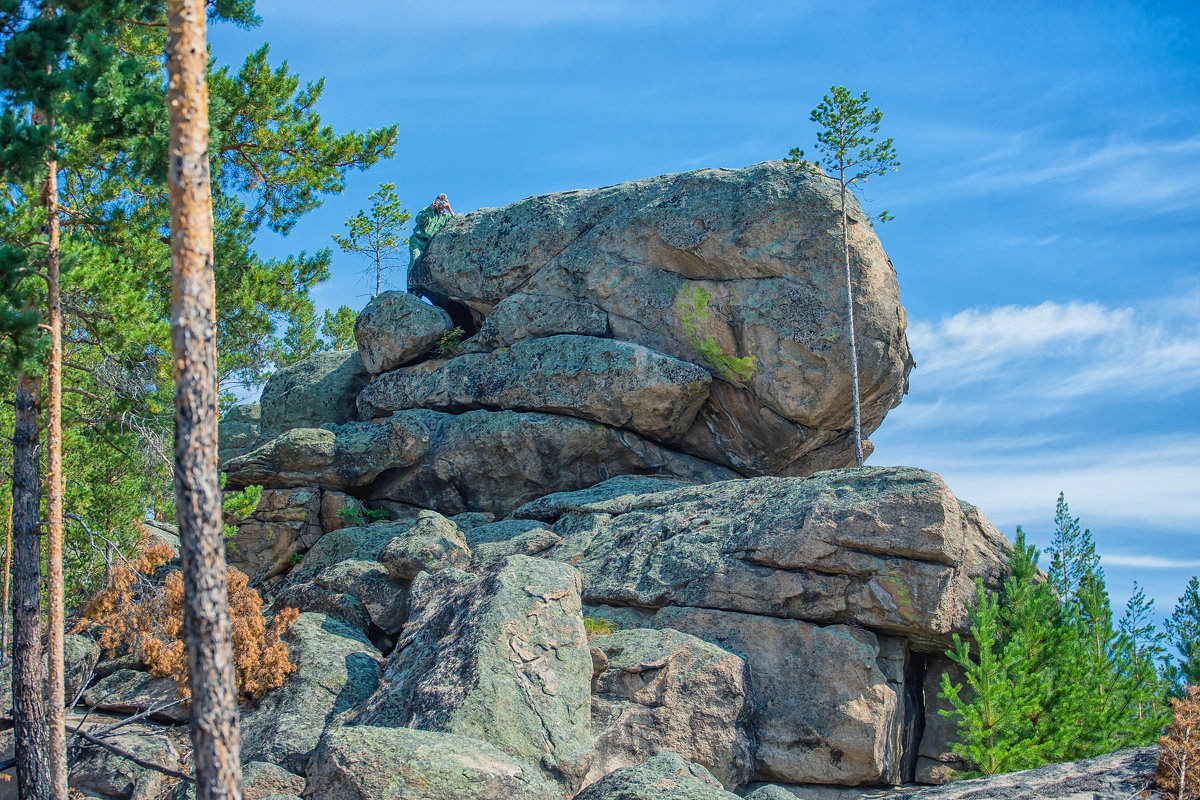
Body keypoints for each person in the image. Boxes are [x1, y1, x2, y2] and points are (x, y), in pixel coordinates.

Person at [409, 193, 455, 264]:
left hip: (431, 244)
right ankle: (410, 274)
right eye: (439, 202)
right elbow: (419, 220)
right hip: (418, 240)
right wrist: (430, 208)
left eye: (443, 202)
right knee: (415, 260)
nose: (440, 205)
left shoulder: (447, 217)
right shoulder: (428, 211)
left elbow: (457, 223)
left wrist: (449, 209)